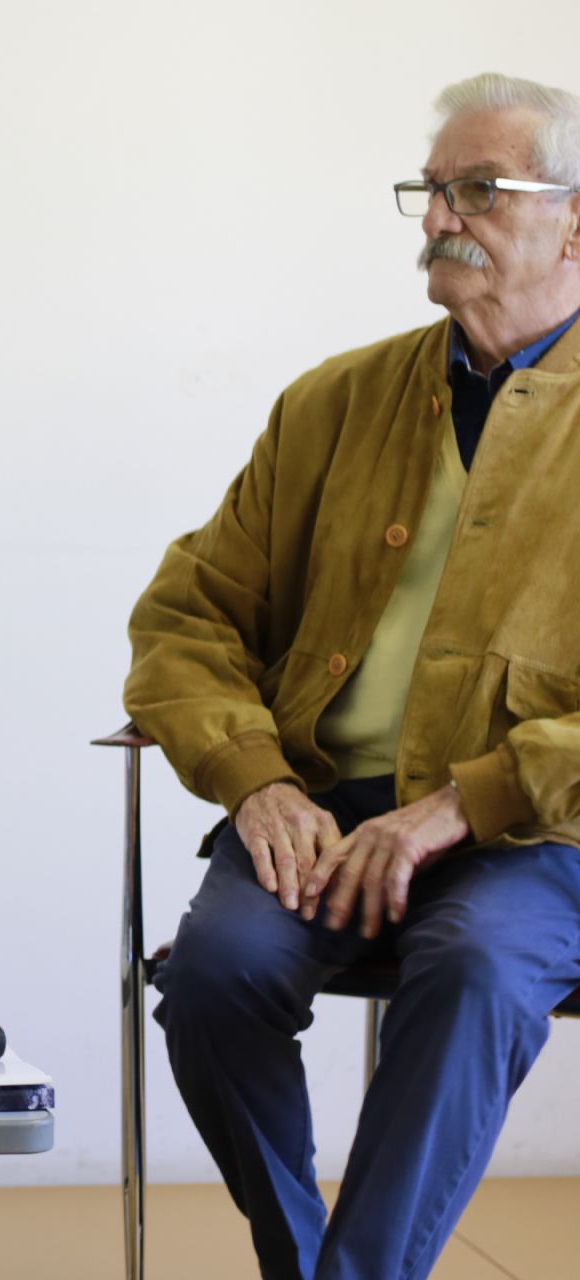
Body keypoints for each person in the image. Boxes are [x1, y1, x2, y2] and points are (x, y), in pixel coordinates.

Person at [124, 72, 580, 1280]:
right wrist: (256, 779)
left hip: (537, 831)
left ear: (576, 221)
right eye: (430, 190)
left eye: (479, 189)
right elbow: (186, 616)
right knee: (213, 978)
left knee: (475, 968)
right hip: (324, 811)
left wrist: (464, 802)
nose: (440, 217)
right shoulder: (335, 402)